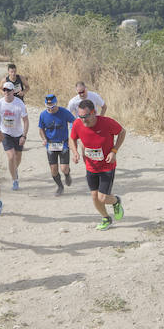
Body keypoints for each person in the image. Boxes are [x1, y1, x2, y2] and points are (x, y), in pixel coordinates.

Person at [69, 99, 126, 231]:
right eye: (80, 116)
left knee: (103, 197)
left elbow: (122, 132)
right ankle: (106, 218)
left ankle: (116, 201)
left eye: (86, 116)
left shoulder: (107, 122)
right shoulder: (78, 124)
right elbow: (72, 138)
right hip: (91, 166)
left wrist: (114, 151)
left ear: (94, 112)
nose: (83, 120)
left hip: (107, 165)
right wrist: (75, 152)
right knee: (95, 196)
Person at [0, 81, 29, 190]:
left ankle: (13, 170)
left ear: (13, 91)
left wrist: (24, 136)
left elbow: (26, 121)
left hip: (18, 134)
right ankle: (15, 180)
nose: (6, 92)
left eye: (9, 90)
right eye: (4, 90)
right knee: (11, 156)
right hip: (5, 133)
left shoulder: (19, 104)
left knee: (18, 158)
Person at [38, 94, 76, 196]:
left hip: (63, 144)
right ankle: (60, 186)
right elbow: (41, 129)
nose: (50, 108)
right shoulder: (43, 115)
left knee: (64, 168)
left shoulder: (64, 112)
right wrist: (44, 139)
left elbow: (75, 122)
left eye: (52, 106)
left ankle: (67, 174)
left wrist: (73, 135)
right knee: (54, 170)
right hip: (50, 145)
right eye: (48, 106)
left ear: (56, 103)